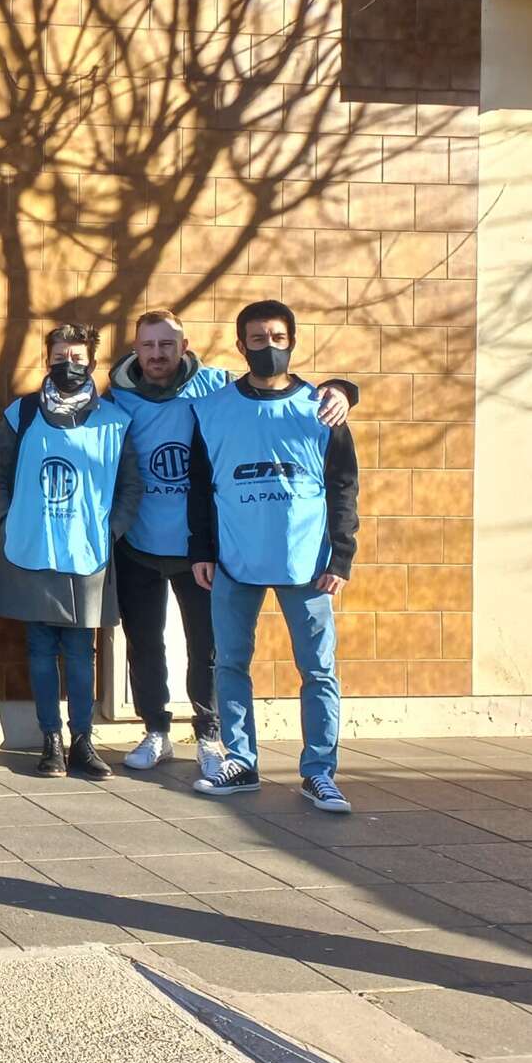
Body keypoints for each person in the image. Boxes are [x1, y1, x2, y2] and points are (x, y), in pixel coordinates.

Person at [106, 309, 354, 776]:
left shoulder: (212, 387)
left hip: (205, 551)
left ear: (184, 347)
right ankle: (155, 730)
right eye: (148, 345)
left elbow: (279, 384)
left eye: (167, 344)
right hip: (139, 543)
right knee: (144, 643)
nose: (157, 354)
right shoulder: (116, 398)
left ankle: (210, 735)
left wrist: (343, 388)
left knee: (211, 649)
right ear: (136, 349)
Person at [189, 300, 361, 813]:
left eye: (278, 338)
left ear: (293, 341)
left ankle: (319, 773)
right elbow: (200, 486)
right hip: (234, 560)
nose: (268, 348)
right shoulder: (213, 409)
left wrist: (342, 557)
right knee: (231, 665)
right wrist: (202, 549)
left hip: (307, 563)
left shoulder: (322, 408)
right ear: (241, 346)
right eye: (257, 340)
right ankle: (240, 762)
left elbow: (344, 487)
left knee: (318, 671)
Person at [0, 324, 141, 780]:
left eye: (77, 357)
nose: (67, 365)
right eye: (58, 356)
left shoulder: (113, 420)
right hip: (33, 544)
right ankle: (50, 740)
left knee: (79, 649)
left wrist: (110, 531)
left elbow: (132, 484)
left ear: (92, 362)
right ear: (47, 359)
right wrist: (6, 520)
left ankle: (83, 741)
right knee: (38, 646)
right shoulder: (23, 413)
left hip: (87, 551)